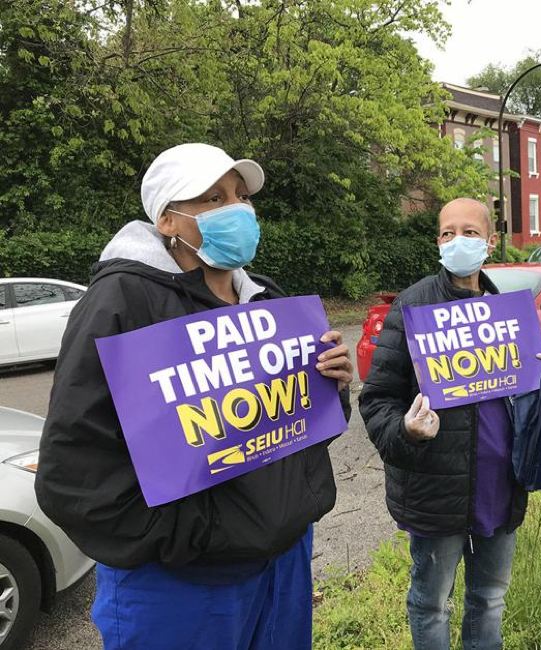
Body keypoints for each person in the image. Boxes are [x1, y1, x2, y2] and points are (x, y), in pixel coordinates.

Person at [34, 143, 353, 650]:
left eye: (241, 196)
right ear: (168, 221)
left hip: (282, 565)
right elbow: (73, 475)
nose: (238, 210)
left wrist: (332, 385)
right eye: (213, 198)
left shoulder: (267, 298)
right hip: (180, 583)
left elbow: (296, 431)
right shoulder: (121, 302)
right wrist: (194, 537)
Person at [358, 198, 541, 650]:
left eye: (470, 232)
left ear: (490, 241)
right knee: (431, 602)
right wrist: (407, 432)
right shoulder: (413, 306)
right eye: (448, 232)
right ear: (437, 242)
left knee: (490, 598)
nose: (459, 241)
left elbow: (530, 397)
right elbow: (377, 399)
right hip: (437, 489)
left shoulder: (509, 309)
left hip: (500, 485)